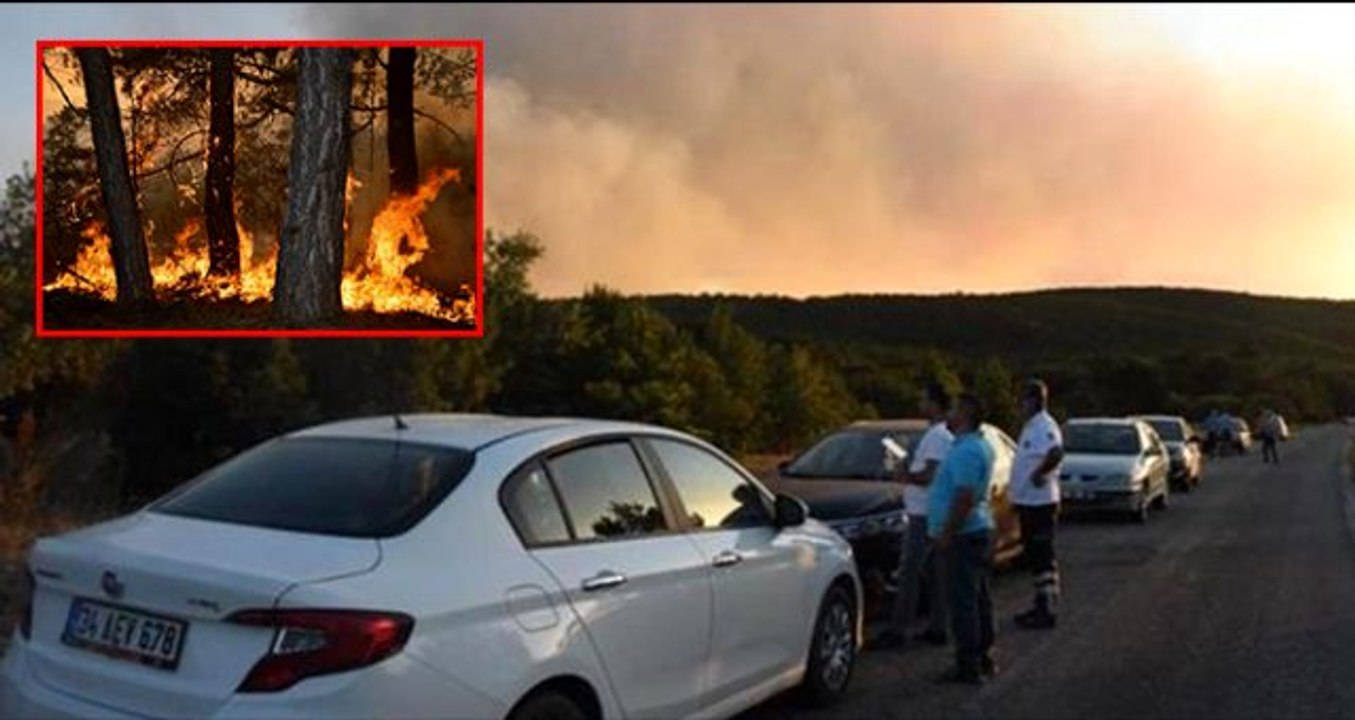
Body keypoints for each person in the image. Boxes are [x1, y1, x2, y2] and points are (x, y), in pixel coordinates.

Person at [874, 382, 954, 650]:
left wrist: (904, 475)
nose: (920, 405)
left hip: (923, 513)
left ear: (934, 403)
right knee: (936, 572)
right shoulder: (939, 434)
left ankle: (900, 630)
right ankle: (938, 627)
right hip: (931, 511)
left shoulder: (938, 436)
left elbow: (931, 475)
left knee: (910, 571)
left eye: (923, 399)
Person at [928, 392, 997, 685]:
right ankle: (983, 656)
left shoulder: (967, 451)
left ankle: (968, 665)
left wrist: (947, 533)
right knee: (978, 597)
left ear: (966, 413)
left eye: (954, 408)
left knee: (963, 602)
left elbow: (964, 496)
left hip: (963, 535)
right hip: (976, 530)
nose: (948, 414)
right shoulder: (975, 445)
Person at [1010, 379, 1065, 630]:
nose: (1019, 404)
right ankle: (1040, 604)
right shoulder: (1030, 426)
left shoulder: (1044, 425)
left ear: (1033, 401)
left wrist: (1039, 473)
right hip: (1028, 502)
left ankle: (1047, 609)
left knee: (1042, 557)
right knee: (1034, 557)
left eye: (1022, 399)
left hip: (1040, 503)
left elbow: (1055, 452)